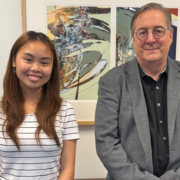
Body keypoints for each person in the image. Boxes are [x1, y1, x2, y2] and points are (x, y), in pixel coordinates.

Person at [95, 3, 180, 180]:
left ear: (170, 35)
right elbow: (106, 142)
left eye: (158, 31)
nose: (150, 39)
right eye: (142, 32)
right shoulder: (111, 82)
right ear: (133, 38)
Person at [0, 31, 79, 180]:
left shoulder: (65, 110)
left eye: (44, 62)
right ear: (14, 61)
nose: (36, 68)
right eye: (28, 60)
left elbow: (68, 168)